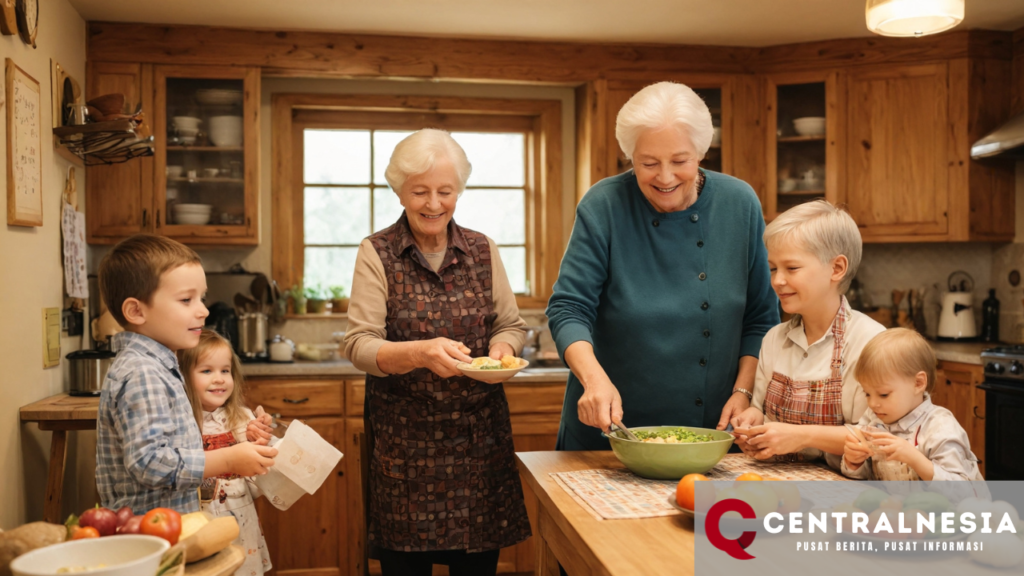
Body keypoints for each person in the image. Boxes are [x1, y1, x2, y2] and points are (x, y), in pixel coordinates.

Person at [545, 81, 779, 451]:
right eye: (648, 163)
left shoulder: (739, 203)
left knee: (710, 510)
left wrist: (745, 391)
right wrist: (593, 381)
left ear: (701, 153)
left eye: (680, 161)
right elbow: (568, 308)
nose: (665, 177)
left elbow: (762, 317)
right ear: (631, 156)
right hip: (611, 429)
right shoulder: (603, 204)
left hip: (714, 430)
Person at [343, 129, 531, 576]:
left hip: (478, 447)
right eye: (419, 191)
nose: (433, 204)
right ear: (399, 191)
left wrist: (502, 351)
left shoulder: (483, 250)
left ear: (459, 190)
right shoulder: (378, 252)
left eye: (445, 191)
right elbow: (359, 344)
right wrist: (420, 353)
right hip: (405, 451)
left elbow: (510, 325)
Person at [96, 235, 277, 513]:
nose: (203, 310)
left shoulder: (159, 365)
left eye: (201, 298)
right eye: (186, 300)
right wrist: (228, 460)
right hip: (151, 536)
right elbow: (150, 463)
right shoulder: (142, 372)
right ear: (136, 310)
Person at [731, 200, 886, 467]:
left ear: (837, 268)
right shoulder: (773, 340)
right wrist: (752, 421)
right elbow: (760, 409)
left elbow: (876, 437)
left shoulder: (870, 343)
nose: (777, 280)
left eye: (792, 268)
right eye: (773, 268)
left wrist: (800, 436)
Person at [179, 329, 273, 576]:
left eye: (225, 370)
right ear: (182, 377)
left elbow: (257, 485)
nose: (219, 378)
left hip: (241, 524)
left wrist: (262, 441)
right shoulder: (180, 423)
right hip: (198, 527)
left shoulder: (242, 419)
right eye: (207, 371)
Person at [842, 328, 984, 481]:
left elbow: (961, 490)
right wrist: (854, 462)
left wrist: (914, 458)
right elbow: (871, 476)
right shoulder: (873, 418)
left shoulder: (940, 427)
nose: (873, 403)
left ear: (918, 383)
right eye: (867, 394)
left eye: (884, 394)